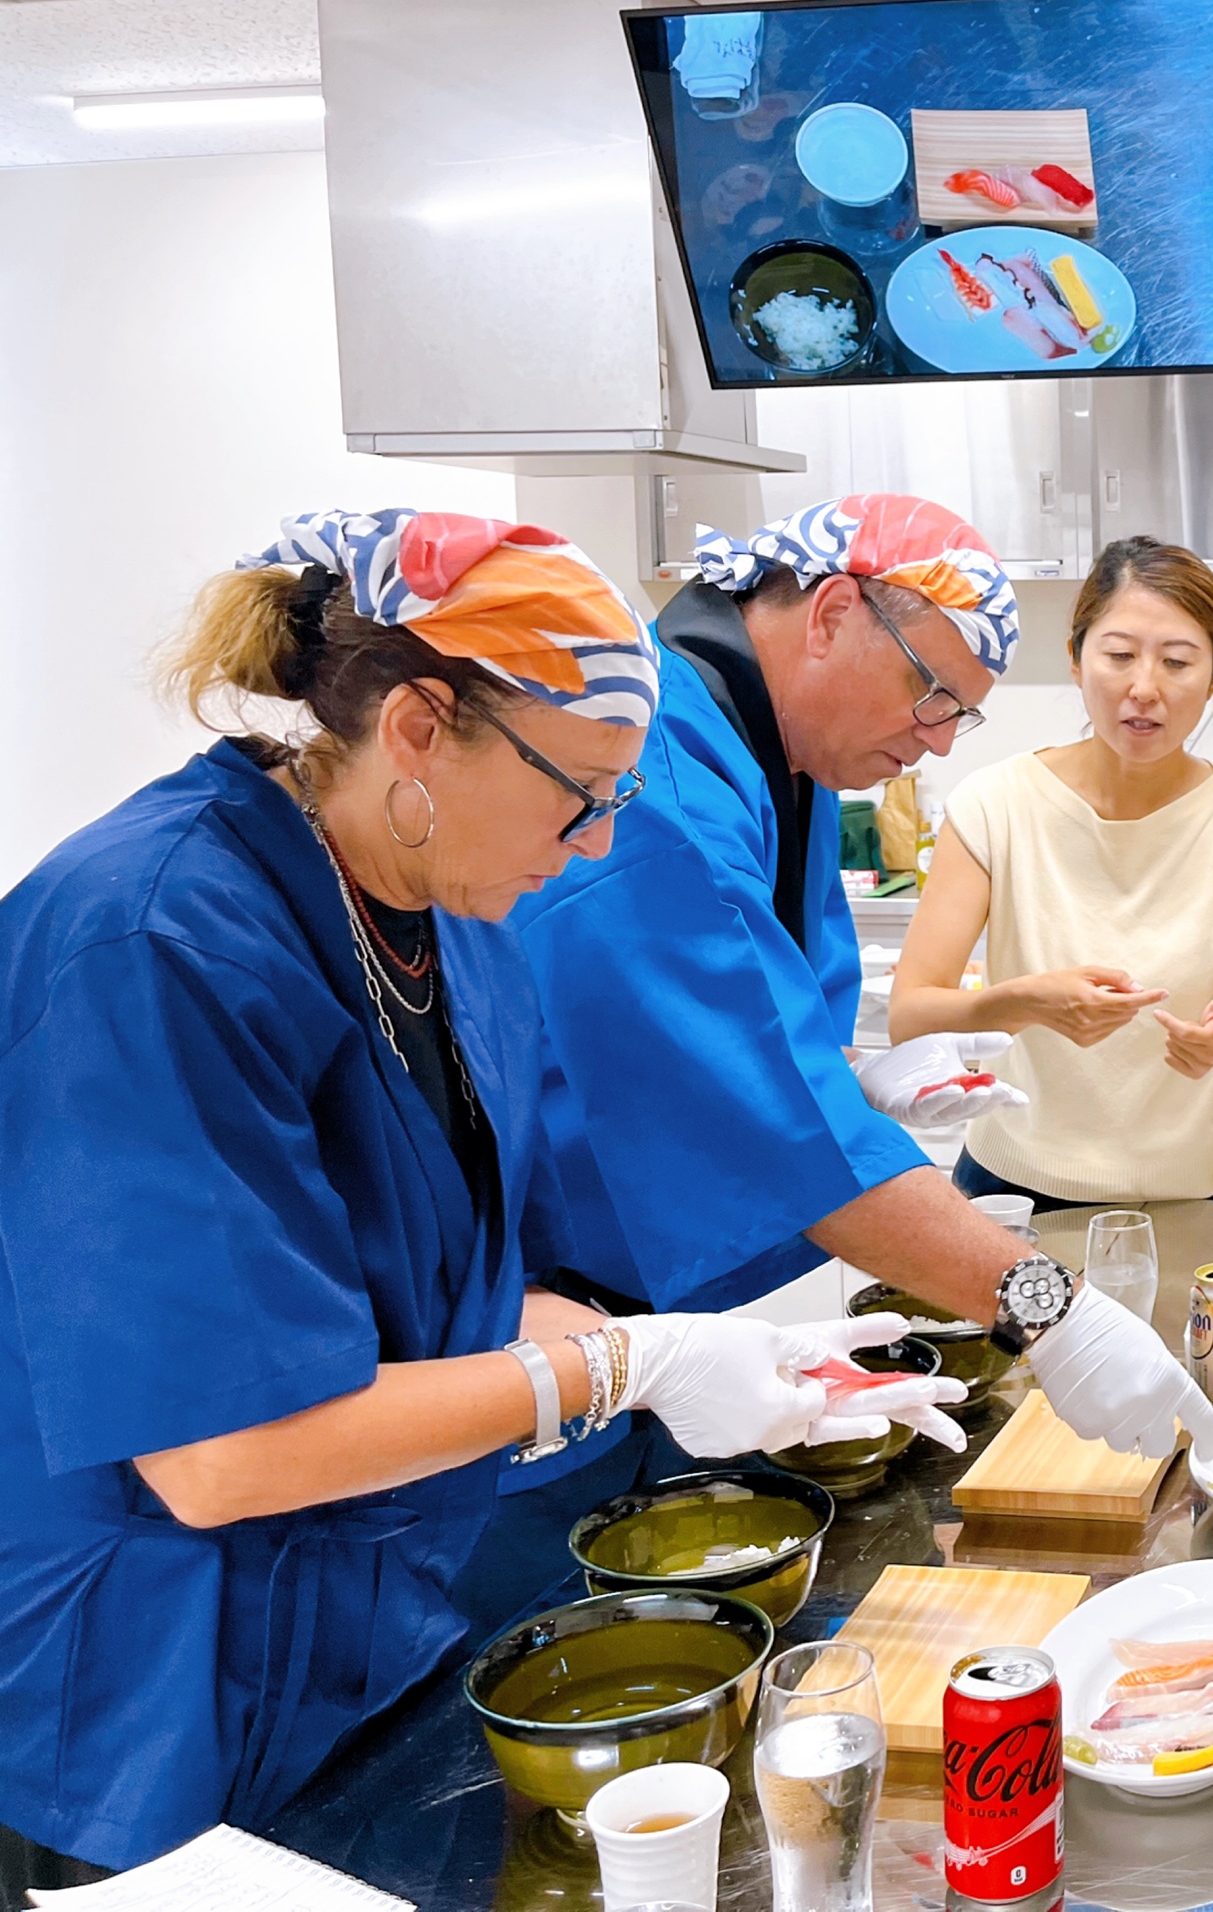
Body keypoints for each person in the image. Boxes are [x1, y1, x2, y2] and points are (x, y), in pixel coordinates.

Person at [0, 509, 953, 1890]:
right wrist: (626, 1360)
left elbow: (449, 1286)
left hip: (371, 1633)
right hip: (147, 1693)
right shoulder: (151, 945)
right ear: (421, 725)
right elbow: (221, 1454)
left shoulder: (456, 925)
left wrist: (695, 1366)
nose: (593, 842)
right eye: (579, 790)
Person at [495, 493, 1209, 1613]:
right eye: (932, 695)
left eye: (959, 719)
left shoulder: (777, 753)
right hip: (531, 1329)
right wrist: (1049, 1309)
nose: (934, 740)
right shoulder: (661, 780)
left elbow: (774, 1042)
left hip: (627, 1315)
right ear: (831, 613)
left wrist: (853, 1077)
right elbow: (790, 1138)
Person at [888, 536, 1213, 1209]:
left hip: (1197, 1195)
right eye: (1117, 656)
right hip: (1012, 1187)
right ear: (1076, 659)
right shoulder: (996, 805)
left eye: (1177, 661)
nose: (1144, 688)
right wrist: (1022, 1001)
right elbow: (911, 1016)